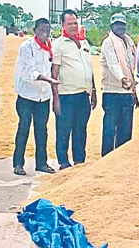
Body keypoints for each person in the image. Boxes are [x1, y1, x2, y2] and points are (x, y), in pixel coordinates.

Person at [12, 18, 59, 176]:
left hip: (42, 96)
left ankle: (41, 163)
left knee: (41, 131)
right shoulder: (27, 47)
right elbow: (30, 72)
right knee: (23, 128)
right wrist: (49, 80)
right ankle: (18, 164)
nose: (45, 34)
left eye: (47, 30)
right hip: (26, 95)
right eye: (41, 30)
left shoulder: (50, 47)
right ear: (35, 30)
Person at [52, 9, 96, 169]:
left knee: (80, 131)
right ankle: (63, 162)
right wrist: (55, 99)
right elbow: (54, 73)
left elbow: (89, 68)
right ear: (63, 25)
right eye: (69, 24)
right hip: (66, 96)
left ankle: (79, 162)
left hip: (83, 95)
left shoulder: (84, 43)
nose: (73, 26)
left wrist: (94, 92)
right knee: (64, 131)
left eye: (75, 23)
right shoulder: (58, 45)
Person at [100, 13, 138, 156]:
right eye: (117, 24)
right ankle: (106, 161)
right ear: (112, 26)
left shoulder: (129, 42)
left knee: (126, 131)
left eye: (122, 24)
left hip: (127, 94)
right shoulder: (108, 43)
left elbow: (131, 66)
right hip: (112, 93)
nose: (120, 27)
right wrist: (123, 79)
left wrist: (133, 89)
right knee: (110, 130)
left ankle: (121, 161)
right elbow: (113, 64)